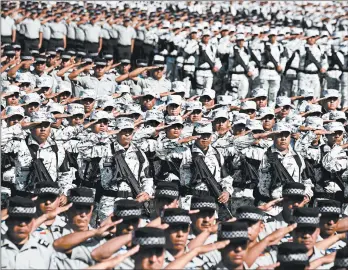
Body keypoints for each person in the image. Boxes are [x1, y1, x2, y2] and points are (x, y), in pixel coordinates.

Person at [1, 196, 56, 269]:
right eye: (18, 219)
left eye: (27, 219)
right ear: (8, 221)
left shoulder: (45, 250)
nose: (23, 224)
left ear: (33, 222)